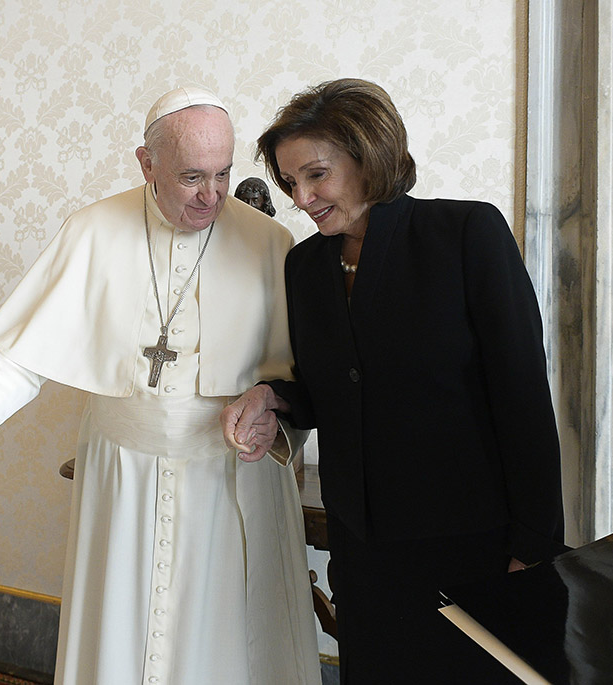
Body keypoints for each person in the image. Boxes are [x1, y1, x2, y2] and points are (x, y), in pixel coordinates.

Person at [0, 87, 321, 685]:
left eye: (224, 175)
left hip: (232, 481)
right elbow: (23, 355)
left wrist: (273, 407)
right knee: (120, 640)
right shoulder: (92, 231)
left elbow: (301, 379)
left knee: (230, 643)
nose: (211, 196)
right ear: (146, 164)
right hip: (124, 475)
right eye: (191, 177)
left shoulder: (270, 243)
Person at [221, 78, 566, 684]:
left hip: (472, 548)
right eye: (289, 182)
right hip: (367, 556)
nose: (301, 198)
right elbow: (334, 391)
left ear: (368, 156)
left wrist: (533, 547)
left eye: (316, 175)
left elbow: (523, 399)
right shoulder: (304, 267)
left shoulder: (467, 235)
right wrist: (275, 396)